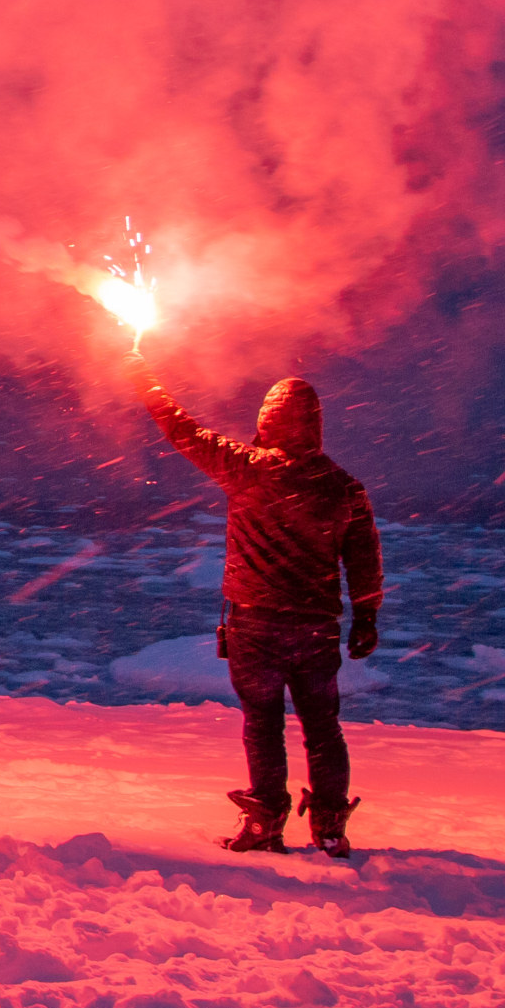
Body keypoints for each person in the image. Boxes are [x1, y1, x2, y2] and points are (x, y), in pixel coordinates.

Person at [128, 359, 380, 857]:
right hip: (317, 628)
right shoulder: (344, 487)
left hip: (255, 624)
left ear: (268, 421)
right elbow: (364, 558)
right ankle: (330, 827)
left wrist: (143, 378)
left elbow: (183, 430)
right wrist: (366, 617)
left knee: (263, 723)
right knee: (323, 727)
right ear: (316, 423)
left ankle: (265, 820)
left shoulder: (246, 468)